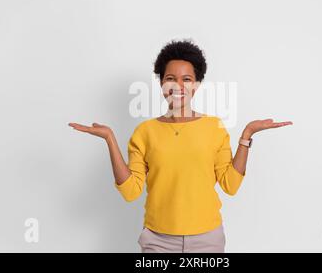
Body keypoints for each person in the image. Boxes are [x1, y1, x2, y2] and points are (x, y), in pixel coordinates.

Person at [68, 39, 293, 252]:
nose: (178, 86)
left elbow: (230, 185)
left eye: (186, 79)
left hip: (207, 240)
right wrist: (109, 138)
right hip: (158, 240)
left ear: (196, 85)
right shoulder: (145, 132)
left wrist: (247, 134)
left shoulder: (214, 127)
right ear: (161, 83)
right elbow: (130, 191)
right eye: (170, 78)